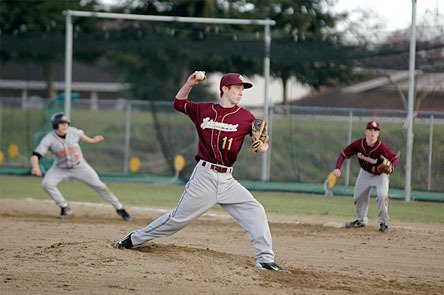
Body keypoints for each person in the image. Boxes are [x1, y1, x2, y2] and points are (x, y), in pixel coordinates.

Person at [115, 72, 289, 273]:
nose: (241, 92)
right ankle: (132, 239)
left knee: (255, 210)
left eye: (243, 89)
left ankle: (265, 259)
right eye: (237, 88)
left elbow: (262, 147)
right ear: (224, 88)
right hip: (204, 177)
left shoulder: (245, 117)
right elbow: (179, 103)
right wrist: (190, 83)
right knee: (176, 221)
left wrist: (261, 145)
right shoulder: (204, 110)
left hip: (227, 179)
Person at [30, 112, 132, 221]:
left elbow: (82, 137)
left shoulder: (73, 132)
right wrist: (36, 166)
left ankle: (120, 208)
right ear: (55, 125)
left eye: (66, 123)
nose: (65, 125)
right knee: (47, 184)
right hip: (60, 168)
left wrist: (93, 140)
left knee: (100, 186)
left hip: (80, 166)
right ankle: (64, 207)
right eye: (62, 123)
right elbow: (36, 155)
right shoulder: (49, 139)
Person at [331, 120, 398, 233]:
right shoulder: (358, 145)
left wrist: (392, 166)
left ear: (378, 133)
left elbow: (394, 159)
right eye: (370, 129)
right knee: (358, 196)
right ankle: (360, 220)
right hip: (365, 173)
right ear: (366, 132)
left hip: (380, 175)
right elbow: (343, 154)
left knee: (382, 196)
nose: (373, 132)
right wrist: (338, 167)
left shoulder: (382, 148)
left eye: (375, 130)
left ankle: (383, 223)